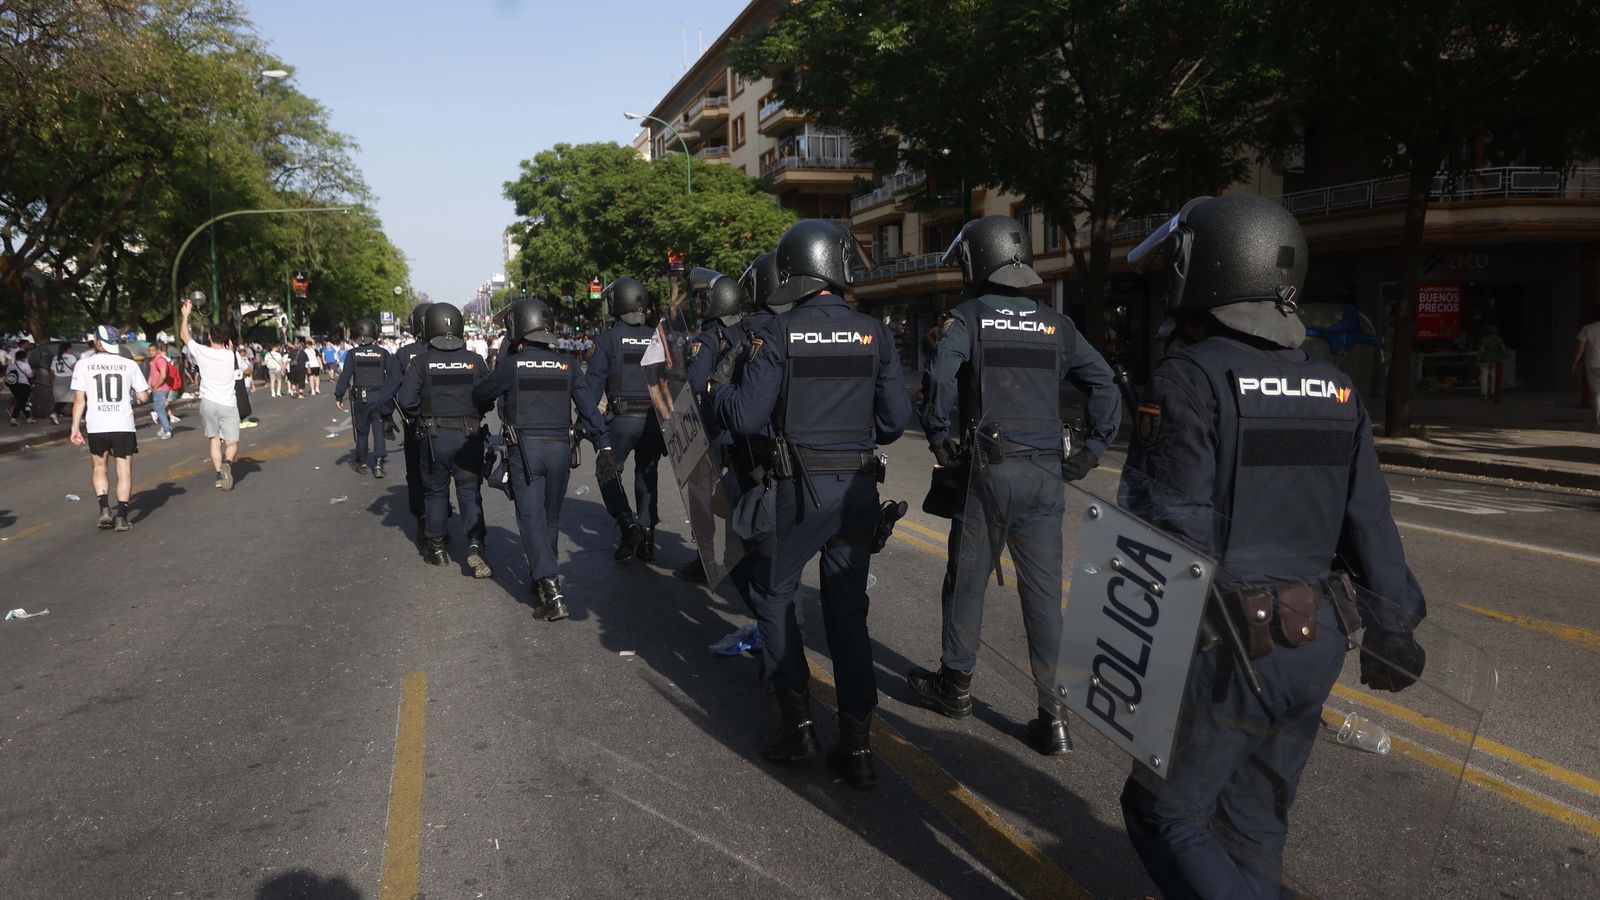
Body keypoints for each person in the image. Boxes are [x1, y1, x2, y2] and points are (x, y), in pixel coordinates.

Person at [1116, 194, 1427, 897]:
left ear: (1206, 270)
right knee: (1253, 821)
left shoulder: (1189, 377)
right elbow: (1370, 523)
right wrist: (1394, 627)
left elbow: (1166, 529)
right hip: (1317, 641)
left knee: (1162, 811)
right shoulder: (1336, 387)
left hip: (1227, 642)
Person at [905, 215, 1122, 756]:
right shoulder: (1057, 325)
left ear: (978, 260)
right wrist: (1091, 451)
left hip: (990, 471)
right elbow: (1104, 385)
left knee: (966, 581)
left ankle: (955, 686)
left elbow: (940, 378)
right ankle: (1054, 718)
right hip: (1046, 474)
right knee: (1044, 596)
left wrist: (939, 437)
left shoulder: (968, 318)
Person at [709, 219, 913, 790]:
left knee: (774, 594)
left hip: (798, 491)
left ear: (794, 270)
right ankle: (858, 746)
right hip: (858, 493)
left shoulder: (779, 332)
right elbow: (896, 422)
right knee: (847, 612)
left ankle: (797, 724)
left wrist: (720, 389)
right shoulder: (875, 332)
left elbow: (745, 415)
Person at [474, 299, 609, 619]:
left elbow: (480, 394)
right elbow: (589, 409)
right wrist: (603, 446)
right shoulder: (568, 365)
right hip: (561, 449)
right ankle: (542, 576)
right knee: (550, 518)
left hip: (526, 450)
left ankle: (551, 589)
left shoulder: (512, 365)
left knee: (530, 517)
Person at [397, 303, 493, 576]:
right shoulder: (475, 361)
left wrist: (423, 416)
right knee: (469, 492)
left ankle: (437, 548)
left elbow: (406, 401)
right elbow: (488, 396)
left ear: (428, 328)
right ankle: (476, 544)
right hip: (469, 436)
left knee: (435, 492)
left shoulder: (420, 362)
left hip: (434, 436)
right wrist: (475, 412)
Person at [675, 270, 750, 581]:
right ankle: (735, 556)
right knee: (735, 493)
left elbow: (694, 383)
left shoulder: (709, 337)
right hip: (741, 428)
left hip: (711, 431)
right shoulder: (749, 332)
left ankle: (705, 561)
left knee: (701, 496)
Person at [585, 277, 665, 562]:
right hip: (654, 420)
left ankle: (627, 525)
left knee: (607, 471)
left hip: (622, 420)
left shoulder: (607, 339)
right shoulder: (657, 337)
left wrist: (584, 424)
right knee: (648, 474)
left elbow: (592, 388)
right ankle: (648, 535)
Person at [69, 325, 150, 531]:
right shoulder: (129, 364)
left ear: (97, 342)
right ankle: (122, 517)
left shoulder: (83, 365)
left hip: (97, 425)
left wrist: (75, 427)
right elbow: (143, 397)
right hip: (123, 424)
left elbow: (79, 400)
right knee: (124, 471)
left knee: (99, 467)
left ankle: (105, 508)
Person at [377, 302, 435, 550]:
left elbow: (390, 389)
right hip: (452, 425)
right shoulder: (457, 351)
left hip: (416, 424)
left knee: (416, 474)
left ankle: (423, 519)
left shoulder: (404, 354)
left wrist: (386, 416)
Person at [179, 297, 245, 490]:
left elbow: (184, 335)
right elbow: (246, 371)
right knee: (232, 443)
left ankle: (218, 475)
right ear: (226, 339)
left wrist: (186, 315)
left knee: (214, 440)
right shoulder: (232, 356)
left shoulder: (202, 352)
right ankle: (228, 463)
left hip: (208, 402)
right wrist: (232, 351)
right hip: (228, 403)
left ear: (209, 337)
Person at [334, 319, 398, 478]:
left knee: (362, 431)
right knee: (378, 431)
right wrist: (390, 395)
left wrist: (339, 395)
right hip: (379, 397)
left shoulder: (352, 354)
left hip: (360, 398)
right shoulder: (382, 353)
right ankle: (378, 464)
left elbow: (345, 376)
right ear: (374, 333)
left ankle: (362, 461)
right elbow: (393, 376)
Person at [1571, 305, 1600, 431]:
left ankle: (1598, 422)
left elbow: (1580, 350)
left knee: (1597, 393)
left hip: (1593, 364)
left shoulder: (1587, 329)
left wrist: (1574, 363)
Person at [147, 340, 181, 439]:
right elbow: (152, 374)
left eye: (153, 350)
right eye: (150, 350)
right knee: (159, 409)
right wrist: (150, 384)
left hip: (161, 389)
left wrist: (156, 386)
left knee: (161, 410)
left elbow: (163, 375)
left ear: (158, 350)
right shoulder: (153, 360)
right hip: (157, 389)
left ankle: (167, 430)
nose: (151, 352)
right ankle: (164, 427)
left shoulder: (160, 360)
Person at [6, 335, 35, 425]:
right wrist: (33, 375)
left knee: (22, 400)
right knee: (22, 402)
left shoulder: (12, 366)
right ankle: (14, 418)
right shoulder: (25, 365)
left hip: (14, 386)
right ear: (23, 358)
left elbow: (8, 374)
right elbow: (30, 376)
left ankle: (28, 418)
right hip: (24, 385)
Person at [1477, 324, 1508, 402]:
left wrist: (1477, 359)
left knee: (1484, 377)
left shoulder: (1485, 340)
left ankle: (1484, 394)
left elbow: (1481, 350)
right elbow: (1504, 350)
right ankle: (1492, 392)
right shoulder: (1498, 340)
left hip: (1485, 360)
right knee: (1494, 377)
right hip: (1495, 361)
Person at [50, 340, 77, 424]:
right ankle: (77, 417)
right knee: (75, 398)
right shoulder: (71, 357)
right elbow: (74, 369)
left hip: (58, 379)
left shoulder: (55, 357)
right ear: (68, 349)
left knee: (62, 399)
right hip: (69, 379)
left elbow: (52, 370)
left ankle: (54, 414)